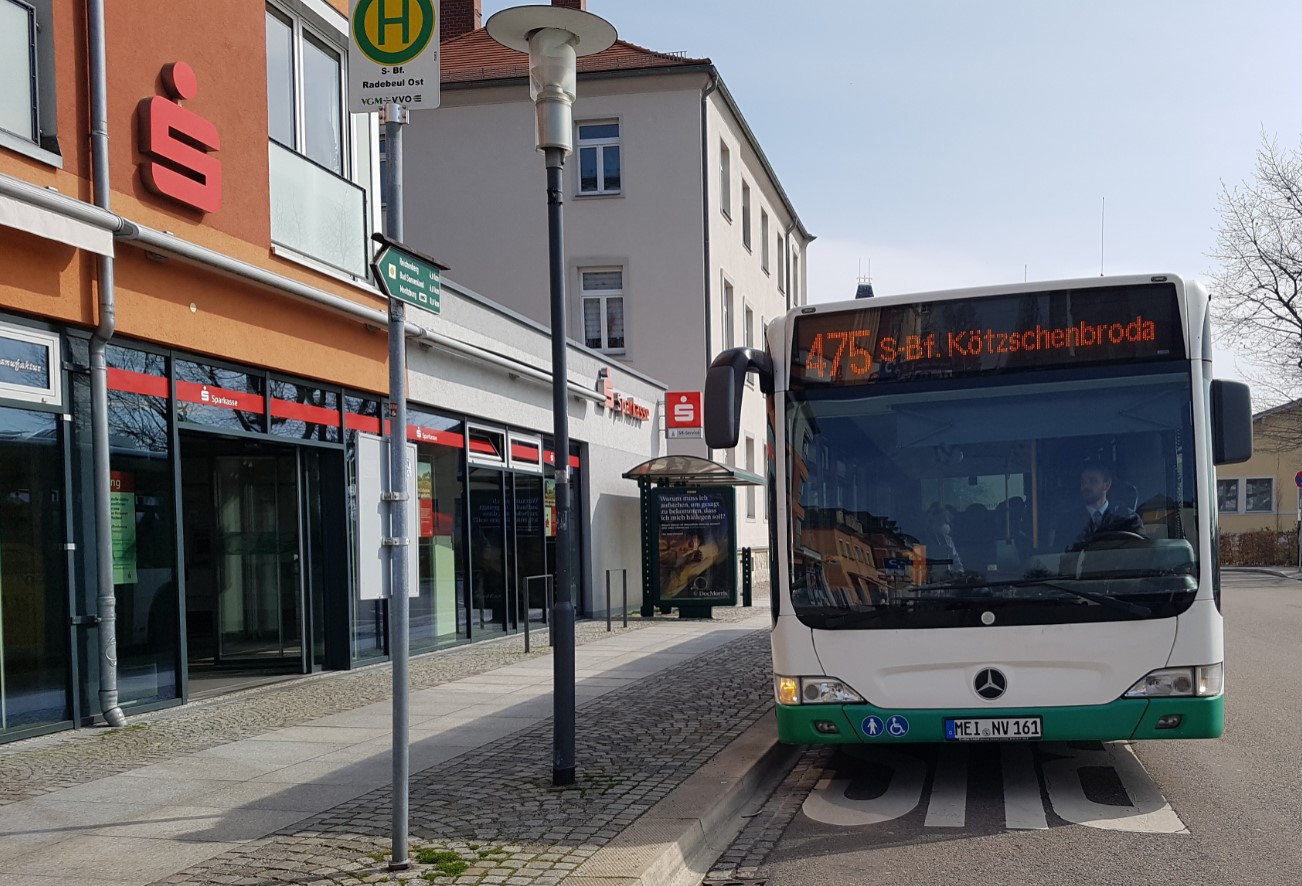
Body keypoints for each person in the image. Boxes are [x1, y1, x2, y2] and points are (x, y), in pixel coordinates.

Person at [1053, 464, 1144, 551]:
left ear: (1107, 485)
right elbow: (1059, 556)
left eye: (1092, 481)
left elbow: (1141, 551)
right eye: (1083, 482)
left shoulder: (1128, 518)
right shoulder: (1067, 522)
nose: (1086, 486)